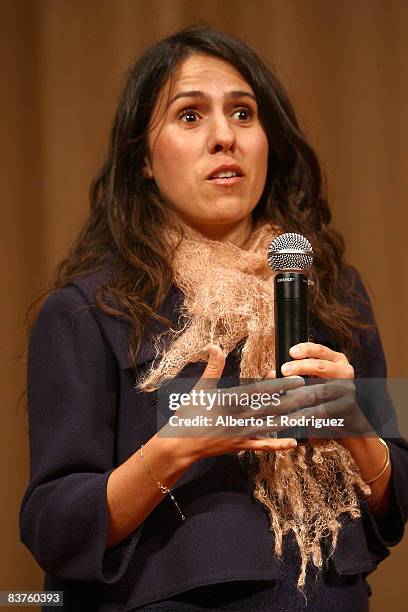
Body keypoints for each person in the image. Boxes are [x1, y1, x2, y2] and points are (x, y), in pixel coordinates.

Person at [20, 25, 408, 611]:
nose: (225, 136)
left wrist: (357, 427)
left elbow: (397, 496)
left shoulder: (331, 293)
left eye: (244, 114)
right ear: (144, 160)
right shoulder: (86, 312)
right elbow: (52, 527)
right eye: (191, 116)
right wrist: (173, 449)